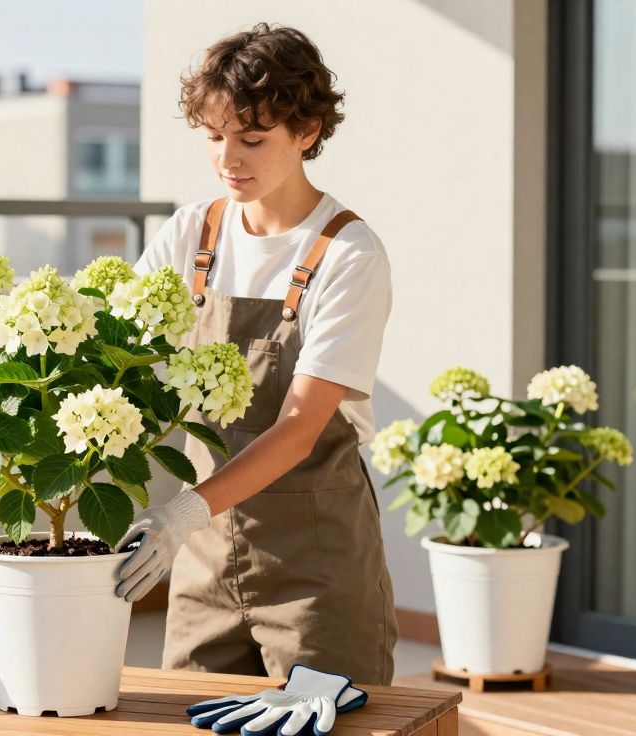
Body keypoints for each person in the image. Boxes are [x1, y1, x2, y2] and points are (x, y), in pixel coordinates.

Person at [113, 22, 399, 685]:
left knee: (327, 723)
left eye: (252, 138)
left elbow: (299, 429)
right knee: (188, 720)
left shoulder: (348, 254)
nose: (227, 160)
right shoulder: (192, 232)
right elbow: (114, 350)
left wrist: (180, 514)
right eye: (214, 136)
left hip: (315, 571)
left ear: (306, 132)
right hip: (202, 565)